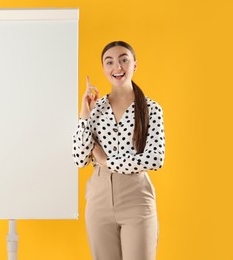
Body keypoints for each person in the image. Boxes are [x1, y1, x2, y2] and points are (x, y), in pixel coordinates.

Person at [72, 41, 165, 260]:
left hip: (136, 197)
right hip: (98, 198)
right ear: (104, 68)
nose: (118, 66)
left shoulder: (151, 109)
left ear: (135, 65)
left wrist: (106, 161)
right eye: (110, 61)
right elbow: (79, 158)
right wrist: (84, 114)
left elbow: (154, 159)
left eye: (124, 59)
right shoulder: (96, 109)